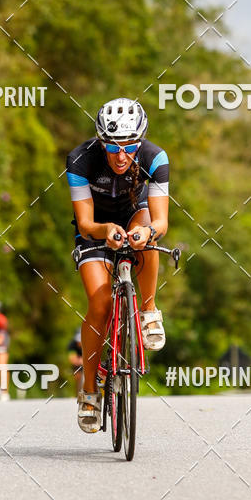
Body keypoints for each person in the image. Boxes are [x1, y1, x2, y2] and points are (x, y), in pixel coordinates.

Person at [66, 98, 169, 433]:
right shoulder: (80, 160)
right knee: (100, 303)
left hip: (135, 214)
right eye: (112, 147)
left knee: (148, 237)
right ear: (100, 141)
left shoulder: (155, 158)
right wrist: (104, 230)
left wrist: (147, 232)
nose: (121, 156)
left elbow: (161, 220)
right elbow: (84, 224)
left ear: (140, 143)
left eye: (130, 147)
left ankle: (149, 310)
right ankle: (90, 393)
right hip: (96, 227)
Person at [67, 327, 84, 401]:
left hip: (85, 362)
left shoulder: (89, 343)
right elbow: (72, 359)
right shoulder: (72, 345)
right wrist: (80, 361)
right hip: (78, 365)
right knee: (77, 375)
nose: (79, 343)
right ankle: (77, 393)